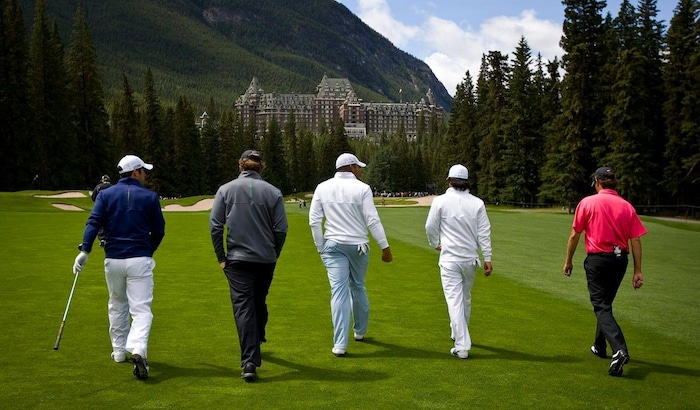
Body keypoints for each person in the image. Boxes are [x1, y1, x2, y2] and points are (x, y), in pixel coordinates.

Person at [72, 155, 165, 380]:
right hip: (139, 259)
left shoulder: (105, 195)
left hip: (113, 260)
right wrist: (148, 250)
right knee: (141, 309)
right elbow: (159, 230)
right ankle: (138, 349)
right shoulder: (150, 197)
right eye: (144, 171)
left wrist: (85, 250)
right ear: (135, 172)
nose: (146, 175)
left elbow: (94, 222)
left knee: (117, 304)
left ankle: (119, 351)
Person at [209, 149, 288, 382]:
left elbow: (215, 226)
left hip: (237, 259)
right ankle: (257, 338)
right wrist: (275, 252)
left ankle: (249, 361)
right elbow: (281, 230)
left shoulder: (225, 189)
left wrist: (220, 256)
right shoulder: (273, 192)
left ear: (240, 165)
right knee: (258, 301)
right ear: (260, 167)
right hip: (265, 258)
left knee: (244, 306)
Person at [563, 166, 647, 377]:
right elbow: (635, 239)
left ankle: (619, 350)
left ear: (597, 182)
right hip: (620, 260)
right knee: (606, 304)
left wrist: (568, 261)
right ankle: (600, 347)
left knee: (600, 306)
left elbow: (575, 235)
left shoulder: (588, 202)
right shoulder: (627, 206)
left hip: (598, 260)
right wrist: (638, 271)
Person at [308, 153, 393, 357]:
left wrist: (320, 247)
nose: (360, 171)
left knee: (339, 292)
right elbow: (372, 220)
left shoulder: (322, 187)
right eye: (359, 167)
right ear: (352, 167)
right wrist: (385, 247)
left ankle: (340, 345)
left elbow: (314, 221)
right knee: (358, 286)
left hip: (333, 245)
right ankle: (360, 332)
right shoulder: (363, 189)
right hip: (358, 246)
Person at [425, 164, 492, 359]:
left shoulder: (441, 201)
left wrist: (434, 243)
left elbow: (430, 226)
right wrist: (487, 257)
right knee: (464, 298)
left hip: (450, 259)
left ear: (449, 181)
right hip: (470, 259)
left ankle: (462, 345)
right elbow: (484, 232)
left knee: (455, 300)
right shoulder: (477, 203)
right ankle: (457, 333)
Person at [91, 175, 113, 247]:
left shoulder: (98, 187)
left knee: (100, 223)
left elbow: (93, 197)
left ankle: (102, 239)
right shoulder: (113, 187)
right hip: (111, 208)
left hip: (100, 208)